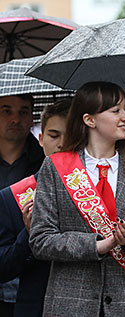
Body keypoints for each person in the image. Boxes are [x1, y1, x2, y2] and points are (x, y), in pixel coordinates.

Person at [29, 82, 125, 316]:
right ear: (89, 120)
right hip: (70, 304)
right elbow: (40, 240)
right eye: (115, 111)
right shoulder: (57, 167)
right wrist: (96, 245)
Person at [0, 99, 71, 317]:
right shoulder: (13, 195)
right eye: (54, 135)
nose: (61, 143)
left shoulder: (102, 187)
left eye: (69, 135)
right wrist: (29, 233)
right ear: (41, 138)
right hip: (31, 301)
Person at [0, 94, 44, 316]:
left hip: (33, 282)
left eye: (23, 112)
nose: (15, 119)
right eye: (6, 111)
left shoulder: (46, 163)